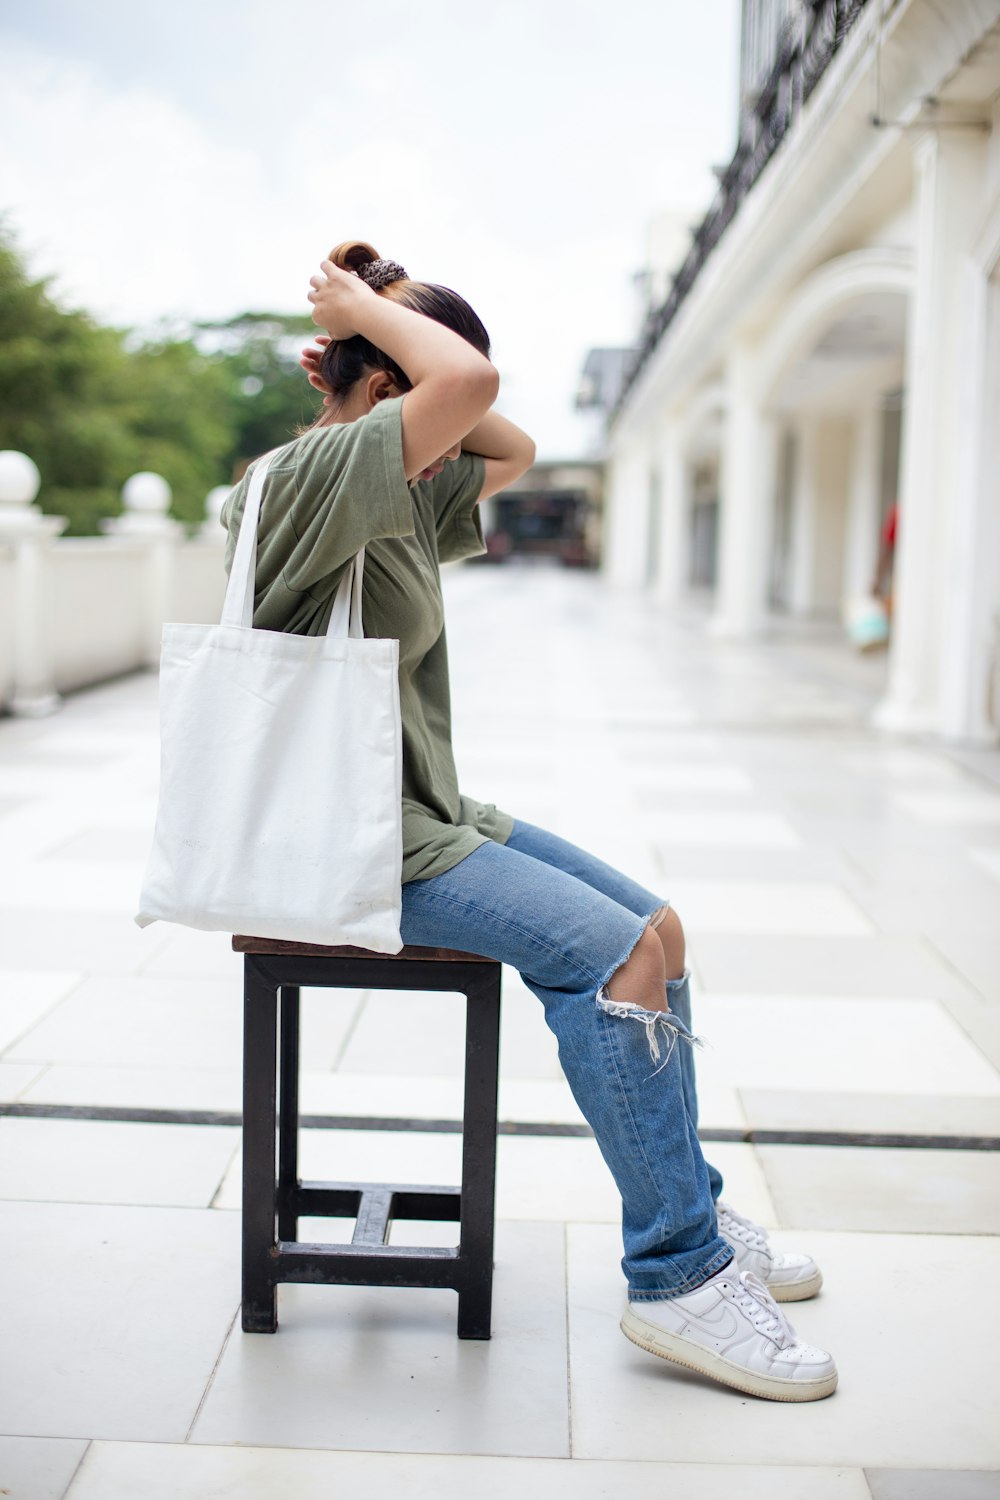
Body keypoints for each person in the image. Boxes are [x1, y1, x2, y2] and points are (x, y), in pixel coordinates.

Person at [222, 241, 838, 1403]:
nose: (461, 452)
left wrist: (384, 335)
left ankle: (686, 1205)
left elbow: (506, 440)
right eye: (427, 397)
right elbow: (472, 398)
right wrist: (368, 312)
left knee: (657, 927)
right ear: (392, 391)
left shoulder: (396, 476)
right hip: (340, 842)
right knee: (612, 959)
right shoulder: (308, 481)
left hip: (422, 813)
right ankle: (676, 1278)